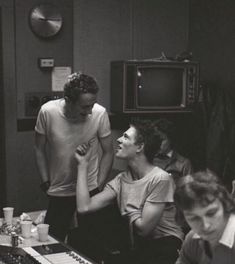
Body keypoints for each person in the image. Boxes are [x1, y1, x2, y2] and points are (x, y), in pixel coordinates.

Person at [74, 119, 184, 264]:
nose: (118, 139)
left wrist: (127, 196)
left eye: (125, 137)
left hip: (166, 246)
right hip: (140, 247)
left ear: (139, 147)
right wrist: (82, 165)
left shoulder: (160, 179)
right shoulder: (121, 180)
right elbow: (84, 207)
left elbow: (144, 228)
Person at [34, 72, 114, 241]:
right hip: (59, 189)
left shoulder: (99, 113)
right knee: (51, 243)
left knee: (90, 246)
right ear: (69, 100)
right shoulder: (48, 112)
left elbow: (108, 151)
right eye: (85, 107)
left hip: (89, 188)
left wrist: (98, 185)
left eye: (92, 104)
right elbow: (39, 148)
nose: (90, 111)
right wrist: (45, 181)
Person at [174, 170, 235, 264]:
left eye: (211, 213)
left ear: (225, 205)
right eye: (194, 218)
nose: (206, 225)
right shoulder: (192, 239)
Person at [153, 118, 193, 184]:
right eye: (155, 139)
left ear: (170, 140)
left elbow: (189, 190)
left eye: (162, 140)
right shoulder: (149, 160)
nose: (157, 143)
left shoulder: (184, 163)